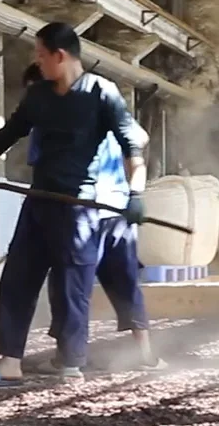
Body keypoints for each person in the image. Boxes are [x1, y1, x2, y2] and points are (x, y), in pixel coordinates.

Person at [0, 23, 147, 384]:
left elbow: (132, 147)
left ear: (59, 55)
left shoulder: (101, 93)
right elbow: (4, 137)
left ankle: (70, 364)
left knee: (71, 284)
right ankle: (9, 362)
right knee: (17, 278)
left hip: (80, 206)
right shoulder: (39, 97)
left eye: (40, 54)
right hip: (39, 201)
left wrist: (136, 194)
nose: (36, 61)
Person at [21, 63, 160, 372]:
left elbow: (44, 172)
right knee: (125, 282)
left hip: (78, 213)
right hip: (116, 209)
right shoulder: (102, 111)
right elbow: (141, 137)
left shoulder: (52, 129)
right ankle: (145, 355)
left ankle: (68, 362)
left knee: (68, 284)